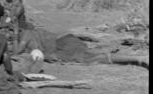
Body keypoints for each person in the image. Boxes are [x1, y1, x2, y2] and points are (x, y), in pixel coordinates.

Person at [12, 26, 149, 69]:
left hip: (63, 46)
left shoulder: (25, 35)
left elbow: (17, 51)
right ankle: (135, 58)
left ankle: (136, 58)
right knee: (94, 55)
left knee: (95, 59)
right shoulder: (33, 32)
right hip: (67, 40)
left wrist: (14, 37)